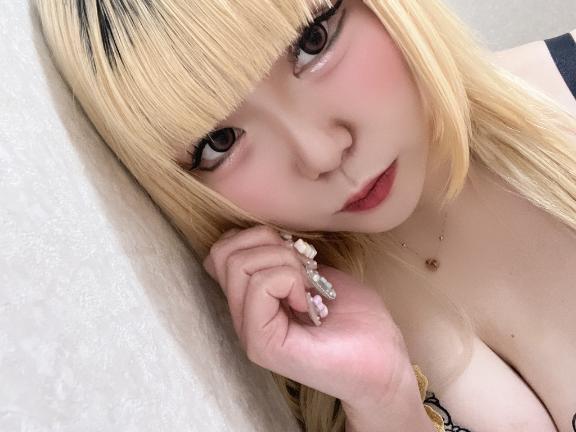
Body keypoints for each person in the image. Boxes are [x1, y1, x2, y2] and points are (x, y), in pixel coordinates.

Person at [34, 0, 576, 430]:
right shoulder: (312, 347)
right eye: (220, 142)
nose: (321, 154)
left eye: (313, 40)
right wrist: (386, 403)